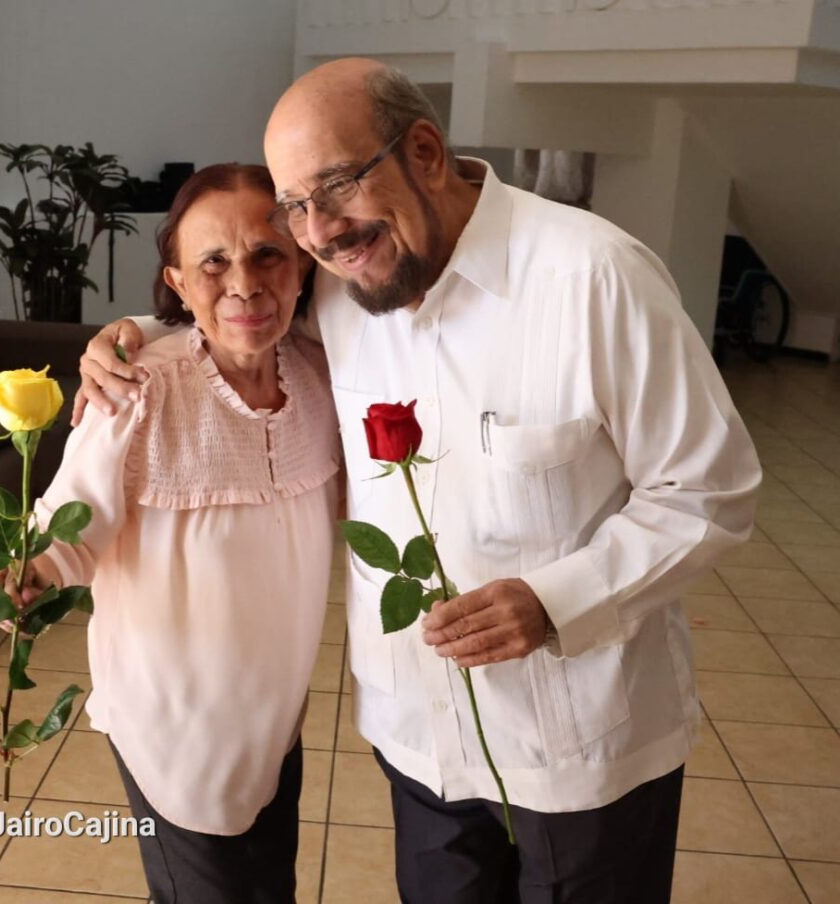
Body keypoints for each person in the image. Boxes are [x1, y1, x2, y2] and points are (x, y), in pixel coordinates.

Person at [76, 60, 761, 903]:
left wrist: (557, 600)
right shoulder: (345, 286)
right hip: (421, 744)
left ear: (426, 152)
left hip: (584, 747)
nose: (320, 232)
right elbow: (239, 310)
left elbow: (709, 490)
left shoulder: (593, 277)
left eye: (337, 186)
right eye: (297, 206)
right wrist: (130, 335)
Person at [0, 163, 341, 904]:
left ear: (303, 268)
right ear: (179, 284)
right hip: (173, 721)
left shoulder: (323, 374)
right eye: (214, 263)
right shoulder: (138, 388)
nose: (245, 284)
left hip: (274, 712)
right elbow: (70, 522)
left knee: (267, 889)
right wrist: (30, 574)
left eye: (268, 254)